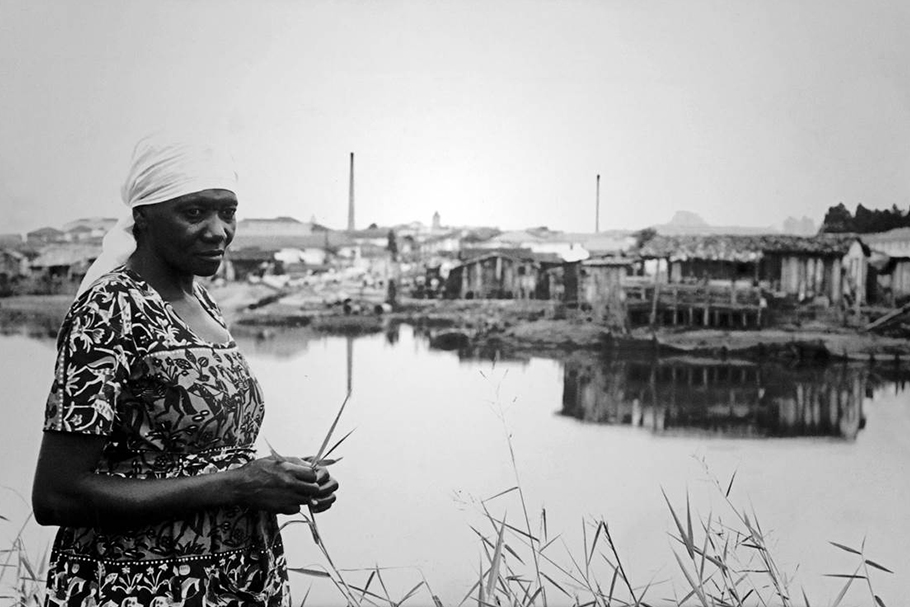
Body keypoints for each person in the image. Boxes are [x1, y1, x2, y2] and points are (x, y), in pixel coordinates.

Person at [31, 132, 338, 607]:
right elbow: (56, 496)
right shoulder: (110, 310)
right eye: (194, 212)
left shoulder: (202, 301)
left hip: (231, 581)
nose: (218, 230)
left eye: (227, 212)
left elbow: (202, 452)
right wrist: (240, 483)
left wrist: (285, 478)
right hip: (139, 588)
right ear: (143, 216)